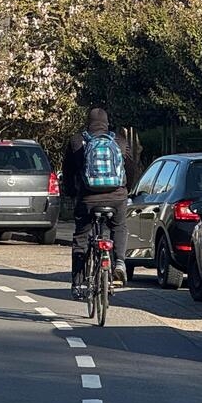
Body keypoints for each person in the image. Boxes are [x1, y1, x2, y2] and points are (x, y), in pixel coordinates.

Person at [62, 107, 138, 297]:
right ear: (106, 123)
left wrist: (72, 193)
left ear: (88, 122)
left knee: (81, 237)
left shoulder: (77, 141)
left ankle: (78, 284)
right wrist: (127, 191)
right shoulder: (119, 141)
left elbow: (68, 171)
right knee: (119, 227)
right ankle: (119, 261)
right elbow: (132, 169)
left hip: (88, 198)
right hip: (117, 196)